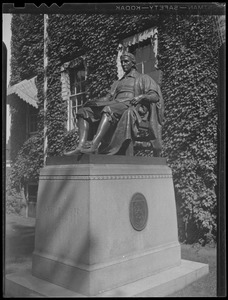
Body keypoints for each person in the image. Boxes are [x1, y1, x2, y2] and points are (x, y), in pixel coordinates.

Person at [64, 52, 163, 156]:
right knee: (83, 111)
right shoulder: (118, 83)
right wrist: (95, 102)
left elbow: (155, 97)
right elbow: (108, 97)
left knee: (108, 109)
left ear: (133, 63)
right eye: (122, 62)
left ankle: (94, 144)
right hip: (115, 104)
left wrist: (141, 97)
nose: (123, 64)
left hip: (130, 105)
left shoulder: (143, 78)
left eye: (126, 61)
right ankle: (80, 146)